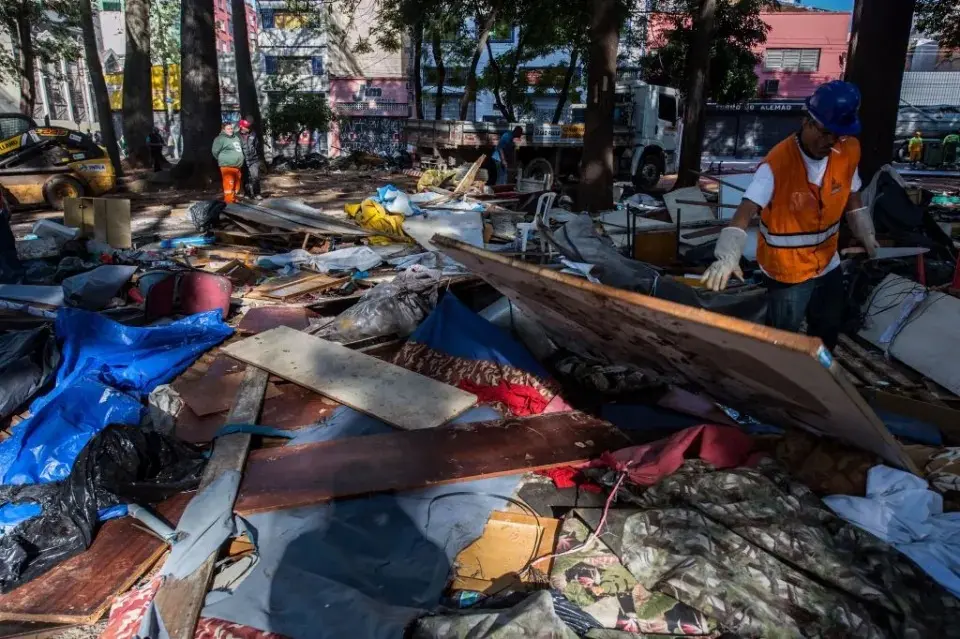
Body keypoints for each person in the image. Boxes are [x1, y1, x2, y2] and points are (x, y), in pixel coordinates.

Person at [700, 80, 878, 352]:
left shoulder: (848, 150)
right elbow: (745, 211)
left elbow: (852, 194)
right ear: (806, 121)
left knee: (828, 330)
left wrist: (865, 231)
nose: (829, 141)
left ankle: (817, 383)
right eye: (824, 132)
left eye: (837, 135)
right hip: (787, 271)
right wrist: (728, 254)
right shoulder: (777, 164)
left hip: (827, 262)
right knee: (783, 338)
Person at [211, 121, 245, 203]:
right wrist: (223, 159)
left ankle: (233, 198)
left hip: (237, 166)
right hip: (227, 166)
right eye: (228, 129)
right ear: (223, 130)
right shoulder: (220, 139)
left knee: (237, 185)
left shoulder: (236, 137)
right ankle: (229, 202)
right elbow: (215, 151)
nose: (230, 130)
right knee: (229, 184)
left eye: (231, 128)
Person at [237, 118, 262, 200]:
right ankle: (247, 193)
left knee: (255, 176)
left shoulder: (253, 134)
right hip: (243, 160)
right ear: (241, 127)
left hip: (253, 159)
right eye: (246, 127)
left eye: (248, 126)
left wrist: (256, 155)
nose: (248, 128)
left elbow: (257, 146)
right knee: (246, 178)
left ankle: (257, 193)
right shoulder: (236, 136)